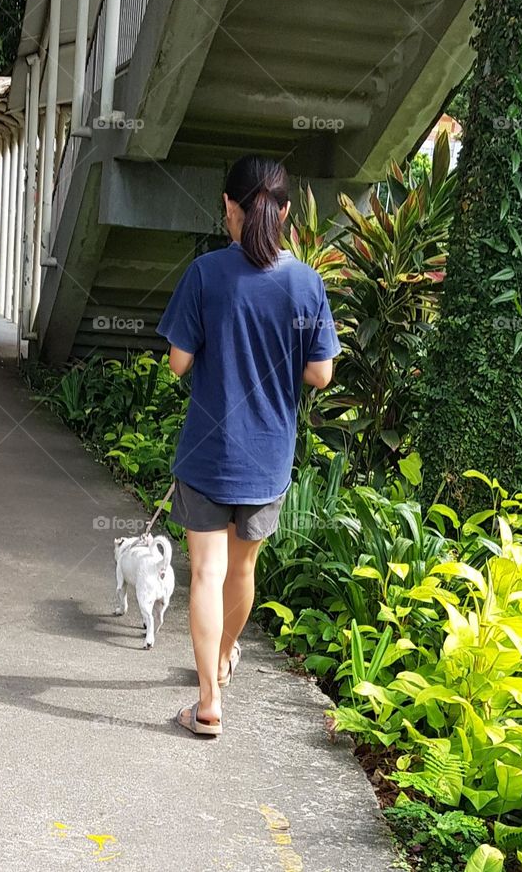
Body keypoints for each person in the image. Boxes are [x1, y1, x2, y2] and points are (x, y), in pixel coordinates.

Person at [157, 155, 340, 738]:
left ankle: (208, 699)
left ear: (229, 209)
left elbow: (178, 364)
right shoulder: (306, 283)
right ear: (285, 212)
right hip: (266, 458)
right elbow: (321, 375)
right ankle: (225, 653)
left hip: (208, 454)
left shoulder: (207, 274)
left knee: (205, 573)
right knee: (242, 569)